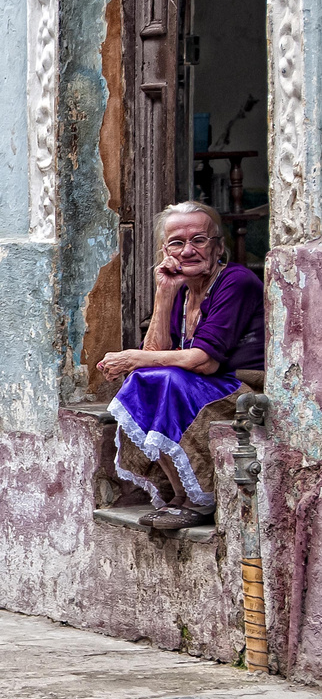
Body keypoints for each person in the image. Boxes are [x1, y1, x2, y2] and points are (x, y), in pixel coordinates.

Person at [96, 201, 264, 530]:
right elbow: (155, 353)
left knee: (165, 379)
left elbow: (203, 361)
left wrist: (134, 357)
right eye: (177, 242)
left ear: (218, 247)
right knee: (148, 378)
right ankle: (180, 495)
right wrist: (164, 293)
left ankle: (201, 496)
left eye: (199, 240)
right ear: (165, 250)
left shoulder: (236, 282)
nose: (188, 250)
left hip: (245, 390)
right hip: (207, 388)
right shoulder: (183, 289)